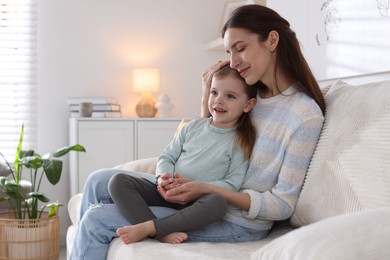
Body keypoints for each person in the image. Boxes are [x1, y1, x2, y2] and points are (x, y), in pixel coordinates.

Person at [70, 4, 325, 259]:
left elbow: (282, 204)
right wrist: (206, 96)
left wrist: (207, 189)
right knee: (98, 180)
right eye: (229, 52)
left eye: (241, 48)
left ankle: (145, 230)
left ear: (271, 40)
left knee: (97, 219)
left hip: (230, 217)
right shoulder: (247, 91)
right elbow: (211, 139)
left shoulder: (303, 115)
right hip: (197, 192)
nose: (234, 63)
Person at [108, 65, 257, 245]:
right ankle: (160, 233)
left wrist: (199, 187)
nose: (219, 101)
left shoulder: (240, 141)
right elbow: (167, 157)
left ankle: (151, 229)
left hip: (198, 201)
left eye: (230, 96)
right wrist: (163, 178)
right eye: (214, 93)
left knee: (218, 204)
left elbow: (233, 183)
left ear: (248, 105)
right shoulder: (192, 126)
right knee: (118, 181)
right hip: (169, 191)